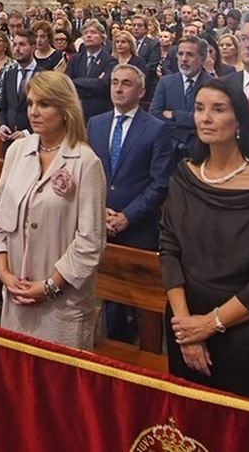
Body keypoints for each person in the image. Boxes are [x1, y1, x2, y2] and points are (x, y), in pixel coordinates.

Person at [159, 74, 249, 405]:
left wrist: (210, 325)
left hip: (241, 332)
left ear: (239, 121)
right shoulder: (184, 176)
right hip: (182, 320)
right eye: (200, 108)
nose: (205, 118)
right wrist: (185, 326)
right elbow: (169, 250)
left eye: (218, 109)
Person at [0, 71, 107, 349]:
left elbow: (90, 243)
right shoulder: (18, 150)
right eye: (30, 103)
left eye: (44, 104)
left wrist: (49, 286)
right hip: (16, 292)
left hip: (62, 303)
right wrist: (5, 275)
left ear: (65, 109)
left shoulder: (85, 162)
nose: (33, 112)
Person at [88, 62, 172, 340]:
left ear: (141, 91)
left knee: (137, 298)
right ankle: (112, 341)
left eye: (126, 83)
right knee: (105, 293)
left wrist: (127, 216)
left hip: (137, 226)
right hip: (100, 219)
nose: (119, 88)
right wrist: (99, 210)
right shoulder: (96, 124)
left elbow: (159, 182)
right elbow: (89, 173)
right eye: (114, 83)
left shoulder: (156, 129)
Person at [153, 36, 216, 156]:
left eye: (190, 55)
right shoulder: (165, 83)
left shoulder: (211, 84)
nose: (184, 59)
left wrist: (175, 115)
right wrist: (189, 122)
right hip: (169, 150)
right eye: (180, 54)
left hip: (200, 150)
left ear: (202, 59)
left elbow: (208, 119)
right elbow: (155, 115)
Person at [0, 31, 42, 142]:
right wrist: (2, 125)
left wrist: (27, 133)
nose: (17, 49)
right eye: (15, 45)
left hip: (34, 140)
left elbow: (48, 113)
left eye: (22, 44)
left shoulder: (44, 75)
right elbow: (3, 107)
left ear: (33, 47)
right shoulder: (9, 75)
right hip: (9, 139)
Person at [69, 21, 117, 120]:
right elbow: (67, 83)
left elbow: (104, 85)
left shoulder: (110, 61)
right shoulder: (75, 60)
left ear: (102, 38)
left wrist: (77, 82)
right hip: (77, 112)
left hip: (100, 112)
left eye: (93, 32)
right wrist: (94, 83)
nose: (89, 35)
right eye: (85, 33)